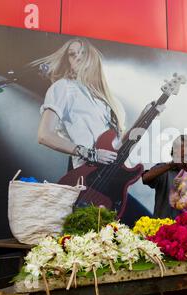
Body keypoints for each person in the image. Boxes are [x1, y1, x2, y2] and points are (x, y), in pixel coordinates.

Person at [34, 37, 157, 225]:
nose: (77, 57)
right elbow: (44, 135)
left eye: (82, 53)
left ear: (92, 57)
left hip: (110, 182)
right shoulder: (63, 88)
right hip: (87, 180)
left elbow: (119, 147)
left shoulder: (106, 100)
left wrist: (145, 116)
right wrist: (91, 153)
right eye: (72, 54)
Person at [142, 135, 187, 219]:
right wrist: (172, 164)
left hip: (185, 229)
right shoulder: (164, 169)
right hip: (163, 228)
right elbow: (145, 178)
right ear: (176, 149)